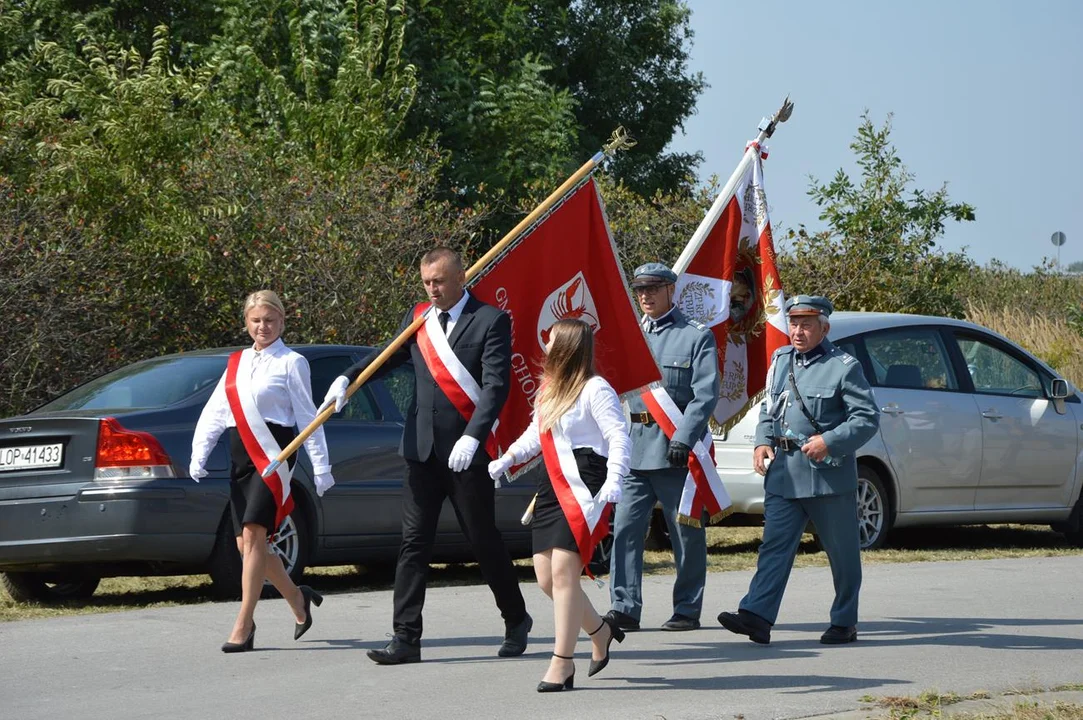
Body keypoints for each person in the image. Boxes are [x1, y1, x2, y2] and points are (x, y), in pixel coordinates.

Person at [320, 247, 531, 665]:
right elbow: (387, 355)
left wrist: (474, 436)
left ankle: (515, 618)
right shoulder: (419, 319)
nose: (432, 289)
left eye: (439, 281)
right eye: (427, 282)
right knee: (413, 543)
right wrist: (348, 378)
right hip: (420, 451)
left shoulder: (490, 320)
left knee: (482, 540)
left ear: (461, 277)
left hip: (466, 454)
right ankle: (405, 638)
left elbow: (495, 386)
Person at [717, 294, 880, 645]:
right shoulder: (781, 360)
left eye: (806, 324)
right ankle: (757, 616)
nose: (798, 331)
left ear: (824, 327)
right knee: (774, 547)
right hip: (785, 473)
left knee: (842, 553)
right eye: (793, 323)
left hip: (827, 476)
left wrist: (830, 441)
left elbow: (867, 419)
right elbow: (769, 409)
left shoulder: (843, 366)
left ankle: (844, 620)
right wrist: (762, 442)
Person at [487, 319, 630, 692]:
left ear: (566, 347)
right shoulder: (550, 388)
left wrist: (616, 478)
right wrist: (510, 457)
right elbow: (538, 432)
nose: (546, 348)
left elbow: (617, 435)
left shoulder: (596, 388)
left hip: (586, 481)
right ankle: (601, 631)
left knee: (567, 573)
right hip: (552, 482)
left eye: (551, 343)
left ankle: (562, 663)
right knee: (547, 579)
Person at [189, 290, 334, 653]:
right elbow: (215, 411)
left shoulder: (292, 362)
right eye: (256, 320)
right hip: (241, 455)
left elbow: (308, 416)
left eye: (269, 320)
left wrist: (321, 466)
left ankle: (244, 623)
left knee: (254, 536)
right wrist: (199, 454)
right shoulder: (236, 363)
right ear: (246, 323)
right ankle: (297, 599)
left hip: (275, 454)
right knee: (245, 544)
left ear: (282, 322)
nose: (262, 326)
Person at [606, 262, 720, 632]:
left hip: (674, 450)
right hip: (633, 450)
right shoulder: (629, 333)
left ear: (672, 290)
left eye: (653, 289)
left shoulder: (695, 336)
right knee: (624, 530)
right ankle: (624, 606)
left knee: (684, 531)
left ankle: (687, 608)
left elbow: (705, 396)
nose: (645, 296)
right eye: (640, 289)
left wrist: (683, 437)